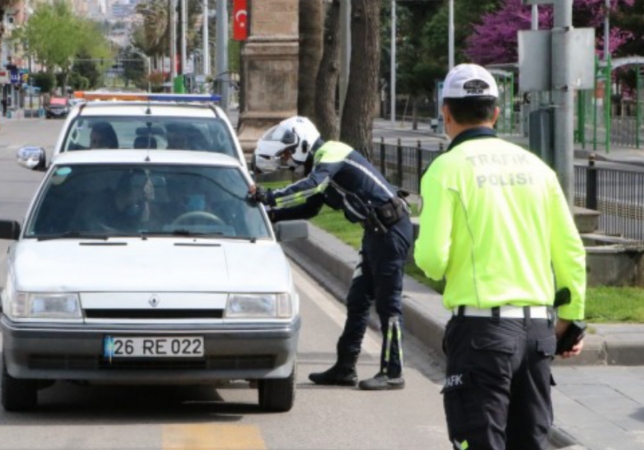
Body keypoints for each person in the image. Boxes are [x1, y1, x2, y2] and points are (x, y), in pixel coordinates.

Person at [414, 64, 587, 450]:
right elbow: (571, 251)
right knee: (530, 441)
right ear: (495, 112)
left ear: (446, 113)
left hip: (482, 335)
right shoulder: (536, 168)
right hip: (539, 333)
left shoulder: (446, 169)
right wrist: (571, 322)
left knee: (479, 440)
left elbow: (432, 258)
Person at [250, 116, 413, 391]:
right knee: (358, 300)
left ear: (302, 142)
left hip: (392, 230)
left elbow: (312, 187)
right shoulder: (322, 166)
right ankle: (345, 367)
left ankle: (393, 371)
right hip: (374, 232)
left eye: (288, 153)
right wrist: (274, 214)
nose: (287, 160)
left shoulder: (332, 152)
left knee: (388, 304)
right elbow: (311, 207)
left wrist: (269, 196)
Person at [73, 169, 152, 233]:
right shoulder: (97, 202)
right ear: (126, 187)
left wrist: (145, 213)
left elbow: (141, 231)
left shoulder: (138, 207)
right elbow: (92, 225)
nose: (143, 192)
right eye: (138, 187)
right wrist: (120, 234)